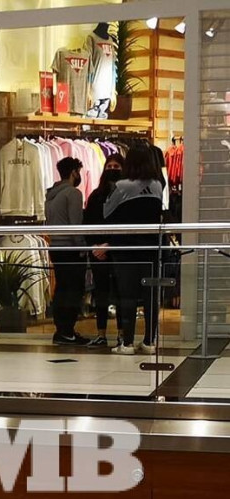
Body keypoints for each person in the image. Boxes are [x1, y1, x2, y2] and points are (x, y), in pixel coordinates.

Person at [99, 145, 164, 355]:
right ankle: (150, 341)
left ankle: (127, 343)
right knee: (150, 295)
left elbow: (107, 213)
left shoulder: (122, 186)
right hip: (151, 249)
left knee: (127, 295)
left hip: (126, 248)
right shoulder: (157, 185)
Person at [45, 156, 88, 346]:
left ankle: (61, 330)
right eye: (78, 172)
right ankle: (68, 330)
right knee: (74, 290)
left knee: (61, 288)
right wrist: (82, 247)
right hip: (71, 249)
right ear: (74, 172)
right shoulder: (73, 193)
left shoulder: (51, 195)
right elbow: (75, 224)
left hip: (56, 247)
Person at [84, 154, 124, 348]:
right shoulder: (95, 195)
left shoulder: (125, 194)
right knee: (101, 293)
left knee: (121, 293)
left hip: (118, 249)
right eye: (110, 166)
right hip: (98, 250)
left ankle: (122, 334)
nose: (112, 169)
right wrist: (94, 246)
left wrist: (110, 244)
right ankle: (101, 334)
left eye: (116, 166)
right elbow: (87, 223)